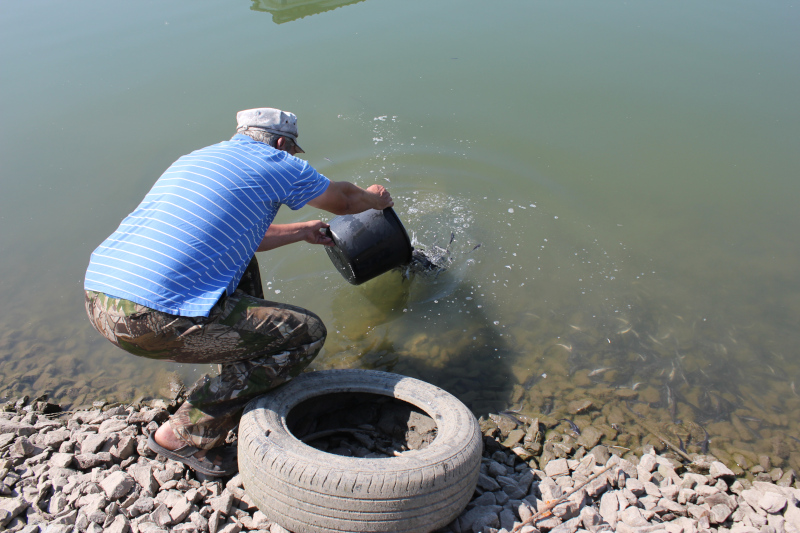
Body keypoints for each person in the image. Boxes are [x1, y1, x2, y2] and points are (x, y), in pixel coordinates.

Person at [84, 107, 393, 476]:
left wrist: (299, 231)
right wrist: (376, 199)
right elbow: (344, 200)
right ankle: (181, 435)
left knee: (239, 258)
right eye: (291, 151)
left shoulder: (197, 159)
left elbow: (235, 236)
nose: (290, 158)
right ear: (282, 143)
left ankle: (239, 366)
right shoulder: (279, 162)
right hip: (150, 319)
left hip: (100, 297)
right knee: (305, 334)